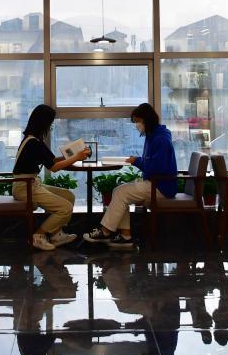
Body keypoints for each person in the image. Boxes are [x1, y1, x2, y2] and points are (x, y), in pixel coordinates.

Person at [83, 103, 177, 249]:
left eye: (138, 121)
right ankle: (125, 236)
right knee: (121, 192)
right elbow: (153, 163)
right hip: (157, 182)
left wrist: (137, 161)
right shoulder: (156, 135)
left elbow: (156, 167)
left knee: (121, 192)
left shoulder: (160, 139)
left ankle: (106, 232)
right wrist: (138, 161)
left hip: (161, 186)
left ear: (146, 120)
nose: (136, 125)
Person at [13, 104, 90, 251]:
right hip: (25, 187)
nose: (51, 126)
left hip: (31, 184)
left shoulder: (34, 140)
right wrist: (76, 157)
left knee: (68, 196)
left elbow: (52, 160)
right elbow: (54, 168)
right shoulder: (33, 142)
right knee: (65, 208)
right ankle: (38, 236)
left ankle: (56, 234)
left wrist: (74, 155)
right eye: (50, 122)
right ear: (43, 123)